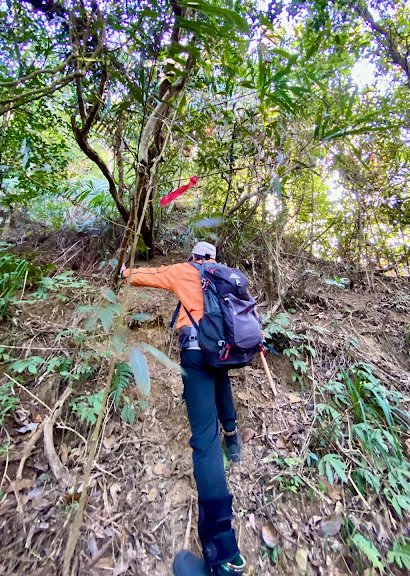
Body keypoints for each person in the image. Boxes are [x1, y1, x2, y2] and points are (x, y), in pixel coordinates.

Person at [122, 241, 245, 576]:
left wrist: (125, 272)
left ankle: (222, 559)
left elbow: (153, 276)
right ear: (215, 258)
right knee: (222, 383)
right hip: (222, 350)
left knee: (205, 443)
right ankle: (233, 440)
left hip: (195, 352)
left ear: (194, 256)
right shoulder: (225, 277)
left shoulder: (185, 270)